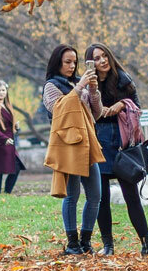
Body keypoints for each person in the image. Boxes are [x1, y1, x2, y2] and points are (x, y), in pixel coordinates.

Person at [87, 42, 148, 257]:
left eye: (104, 56)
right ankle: (108, 245)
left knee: (131, 196)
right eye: (97, 58)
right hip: (98, 142)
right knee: (101, 199)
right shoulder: (88, 83)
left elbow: (137, 107)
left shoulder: (122, 78)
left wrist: (121, 104)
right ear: (91, 63)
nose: (102, 61)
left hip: (122, 144)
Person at [42, 44, 103, 255]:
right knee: (72, 195)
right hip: (68, 145)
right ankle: (72, 244)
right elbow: (58, 109)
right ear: (57, 62)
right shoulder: (51, 85)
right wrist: (80, 88)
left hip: (88, 142)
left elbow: (96, 113)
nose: (71, 66)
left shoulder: (80, 83)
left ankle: (86, 241)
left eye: (74, 62)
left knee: (95, 195)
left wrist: (93, 90)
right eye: (67, 62)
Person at [0, 79, 25, 194]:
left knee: (16, 168)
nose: (1, 93)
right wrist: (3, 139)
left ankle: (7, 193)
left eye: (3, 90)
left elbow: (7, 124)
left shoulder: (7, 105)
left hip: (9, 143)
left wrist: (15, 127)